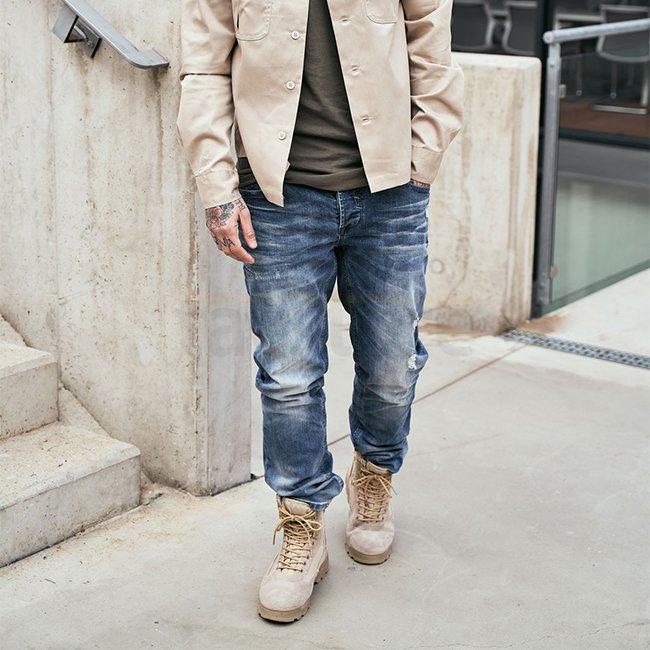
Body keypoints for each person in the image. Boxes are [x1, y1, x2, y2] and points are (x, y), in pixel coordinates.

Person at [177, 0, 464, 623]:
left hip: (391, 191)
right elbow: (204, 69)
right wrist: (218, 189)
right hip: (278, 196)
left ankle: (374, 471)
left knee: (392, 366)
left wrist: (424, 157)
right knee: (288, 375)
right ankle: (301, 521)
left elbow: (431, 44)